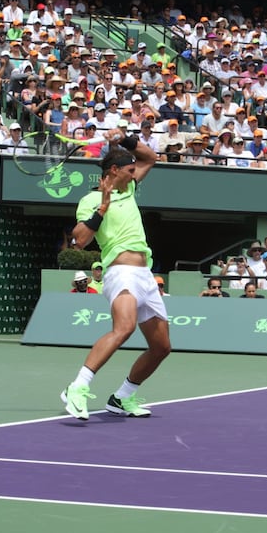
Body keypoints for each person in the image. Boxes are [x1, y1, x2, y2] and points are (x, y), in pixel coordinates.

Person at [61, 136, 171, 421]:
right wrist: (104, 205)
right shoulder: (90, 199)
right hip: (120, 273)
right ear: (114, 171)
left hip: (145, 276)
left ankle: (121, 398)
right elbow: (81, 240)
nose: (135, 173)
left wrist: (125, 139)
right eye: (130, 170)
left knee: (161, 347)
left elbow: (150, 158)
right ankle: (77, 387)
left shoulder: (130, 187)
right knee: (124, 329)